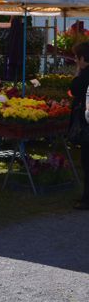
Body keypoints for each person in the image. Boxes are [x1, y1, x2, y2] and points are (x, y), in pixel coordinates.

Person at [70, 42, 89, 210]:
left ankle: (87, 199)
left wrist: (79, 71)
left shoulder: (84, 77)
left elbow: (74, 89)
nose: (76, 61)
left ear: (83, 59)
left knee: (87, 162)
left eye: (77, 58)